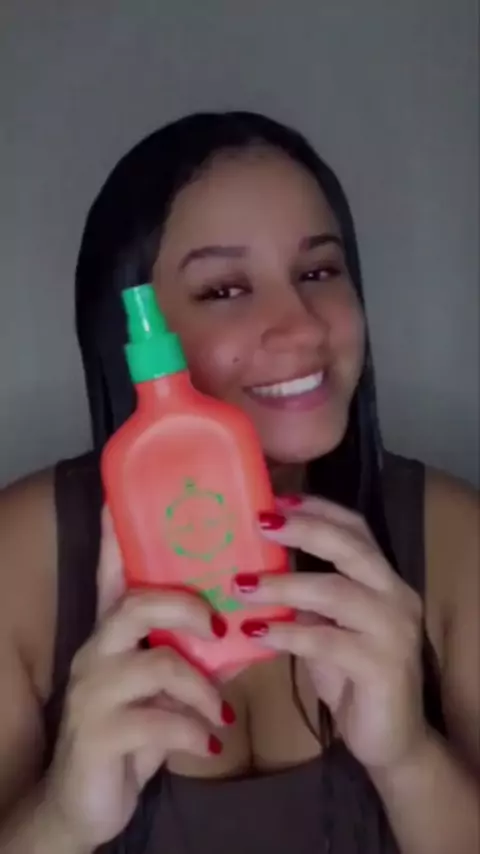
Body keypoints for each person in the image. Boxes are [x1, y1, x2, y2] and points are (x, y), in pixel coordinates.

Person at [0, 112, 478, 854]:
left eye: (318, 273)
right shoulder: (20, 558)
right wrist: (62, 820)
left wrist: (408, 760)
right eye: (224, 289)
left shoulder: (456, 539)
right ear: (135, 339)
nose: (302, 327)